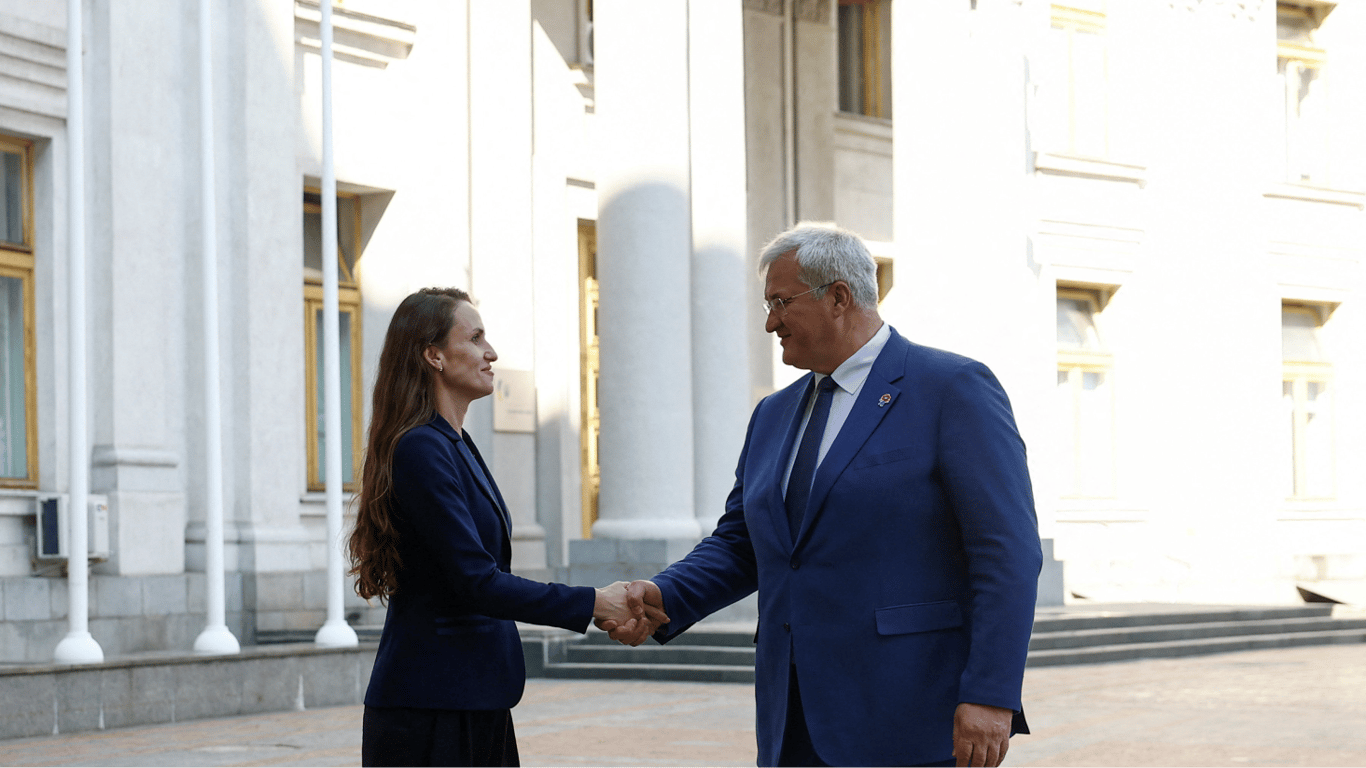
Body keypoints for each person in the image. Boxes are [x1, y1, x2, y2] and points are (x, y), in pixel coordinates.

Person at [606, 224, 1042, 768]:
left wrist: (992, 692)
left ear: (838, 297)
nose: (770, 322)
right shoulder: (772, 414)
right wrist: (662, 595)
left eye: (780, 302)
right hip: (791, 720)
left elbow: (1007, 552)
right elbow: (743, 542)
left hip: (910, 717)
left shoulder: (951, 388)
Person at [348, 287, 663, 768]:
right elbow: (476, 581)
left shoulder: (454, 443)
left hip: (473, 696)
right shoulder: (420, 448)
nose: (491, 353)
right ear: (434, 355)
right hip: (431, 706)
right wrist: (596, 602)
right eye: (475, 338)